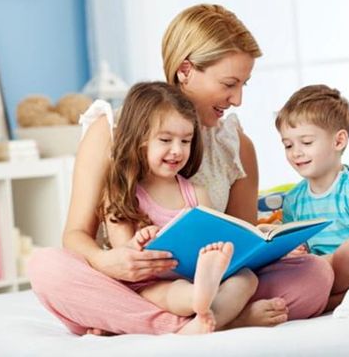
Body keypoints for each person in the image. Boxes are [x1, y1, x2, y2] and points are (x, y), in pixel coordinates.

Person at [28, 4, 333, 336]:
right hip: (129, 283)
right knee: (47, 268)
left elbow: (244, 245)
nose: (238, 99)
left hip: (211, 284)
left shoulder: (237, 146)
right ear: (186, 69)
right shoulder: (111, 130)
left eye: (244, 84)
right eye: (230, 83)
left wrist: (272, 246)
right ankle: (187, 325)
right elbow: (75, 235)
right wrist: (108, 262)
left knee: (315, 274)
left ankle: (151, 321)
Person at [101, 81, 258, 334]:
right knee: (175, 293)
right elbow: (124, 255)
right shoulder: (122, 192)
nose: (177, 150)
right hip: (151, 283)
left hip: (195, 274)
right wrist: (139, 241)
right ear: (140, 138)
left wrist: (224, 250)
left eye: (185, 141)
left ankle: (206, 318)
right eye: (166, 139)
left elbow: (213, 239)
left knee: (247, 279)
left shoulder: (196, 193)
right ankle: (201, 304)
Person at [275, 84, 349, 312]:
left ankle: (334, 301)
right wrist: (294, 252)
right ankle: (321, 299)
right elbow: (300, 251)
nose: (295, 152)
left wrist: (327, 262)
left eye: (306, 142)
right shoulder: (293, 200)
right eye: (288, 145)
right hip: (315, 276)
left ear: (338, 141)